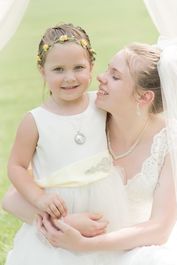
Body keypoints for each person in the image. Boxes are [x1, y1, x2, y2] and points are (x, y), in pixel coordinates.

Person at [3, 23, 128, 265]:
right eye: (58, 69)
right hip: (59, 206)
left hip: (104, 201)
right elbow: (16, 166)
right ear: (42, 71)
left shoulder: (101, 104)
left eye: (78, 67)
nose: (69, 78)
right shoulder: (35, 120)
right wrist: (39, 199)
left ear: (91, 66)